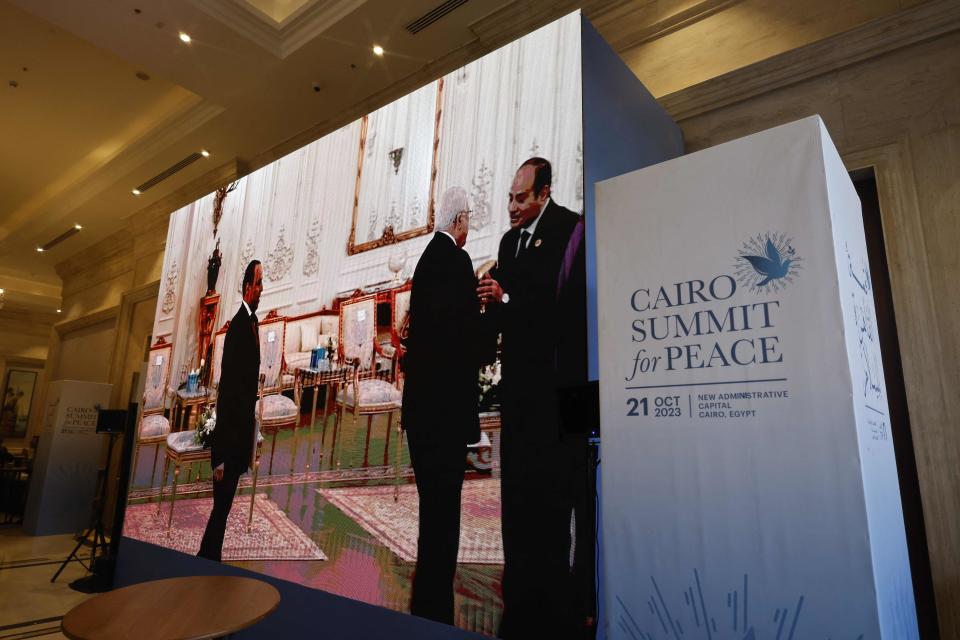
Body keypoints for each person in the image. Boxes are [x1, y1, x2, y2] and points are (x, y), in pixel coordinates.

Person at [477, 157, 586, 638]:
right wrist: (489, 305)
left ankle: (556, 593)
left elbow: (561, 314)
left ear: (544, 193)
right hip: (518, 394)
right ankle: (517, 581)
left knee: (554, 497)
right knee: (516, 493)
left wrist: (506, 301)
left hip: (559, 391)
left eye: (522, 198)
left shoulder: (571, 231)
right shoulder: (506, 243)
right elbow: (509, 319)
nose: (513, 206)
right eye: (509, 197)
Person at [402, 186, 483, 625]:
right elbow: (469, 341)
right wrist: (493, 309)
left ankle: (424, 606)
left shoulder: (424, 262)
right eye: (468, 217)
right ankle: (437, 614)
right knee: (445, 513)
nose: (469, 224)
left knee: (431, 510)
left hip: (420, 414)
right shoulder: (457, 261)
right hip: (446, 415)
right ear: (457, 221)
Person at [197, 259, 263, 561]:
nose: (261, 289)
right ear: (247, 287)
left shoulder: (252, 322)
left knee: (222, 507)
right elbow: (227, 393)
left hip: (239, 434)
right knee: (221, 506)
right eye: (258, 283)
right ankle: (206, 557)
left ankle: (211, 557)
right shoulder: (238, 327)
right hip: (230, 438)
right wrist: (221, 454)